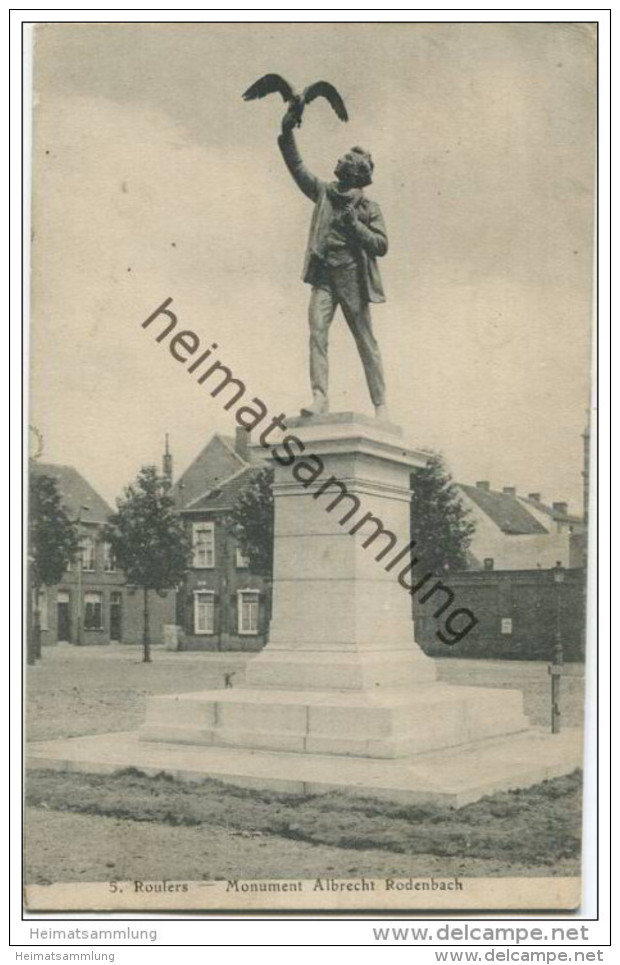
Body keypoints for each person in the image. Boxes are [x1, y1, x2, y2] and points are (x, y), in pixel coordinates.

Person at [278, 109, 389, 420]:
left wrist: (356, 227)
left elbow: (381, 245)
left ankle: (381, 405)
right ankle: (319, 398)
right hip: (324, 276)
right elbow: (297, 166)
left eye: (344, 160)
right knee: (317, 334)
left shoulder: (369, 208)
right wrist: (287, 133)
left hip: (353, 277)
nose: (338, 161)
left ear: (355, 172)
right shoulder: (324, 192)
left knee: (365, 341)